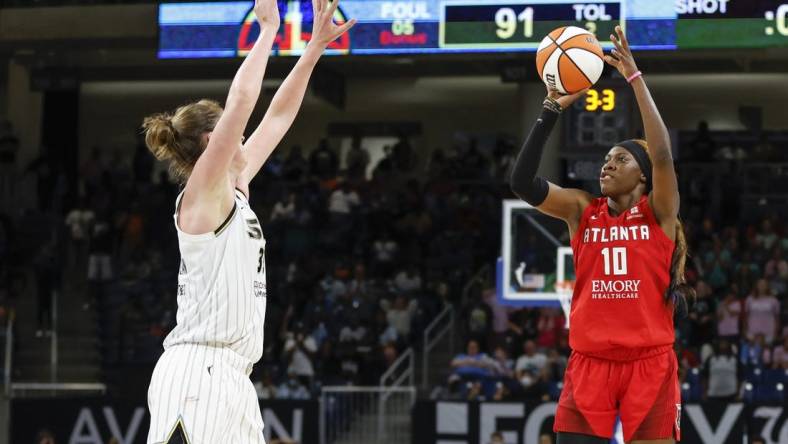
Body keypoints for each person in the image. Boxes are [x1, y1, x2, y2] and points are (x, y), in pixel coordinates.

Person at [142, 1, 355, 443]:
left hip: (233, 376)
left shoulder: (235, 186)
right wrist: (267, 30)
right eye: (230, 131)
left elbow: (277, 117)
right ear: (210, 141)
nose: (242, 135)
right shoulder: (204, 191)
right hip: (197, 372)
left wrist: (313, 48)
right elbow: (242, 101)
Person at [510, 27, 692, 443]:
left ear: (643, 177)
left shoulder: (658, 215)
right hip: (589, 364)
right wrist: (551, 109)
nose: (606, 165)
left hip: (649, 365)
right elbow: (522, 182)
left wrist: (634, 78)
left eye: (621, 159)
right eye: (606, 159)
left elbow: (662, 153)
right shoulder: (581, 210)